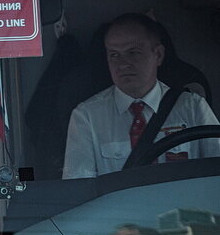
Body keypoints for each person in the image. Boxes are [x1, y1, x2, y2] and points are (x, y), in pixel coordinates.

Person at [63, 13, 220, 179]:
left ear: (158, 55)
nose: (123, 64)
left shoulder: (193, 107)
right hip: (117, 205)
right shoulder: (87, 116)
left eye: (133, 52)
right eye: (114, 54)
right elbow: (78, 187)